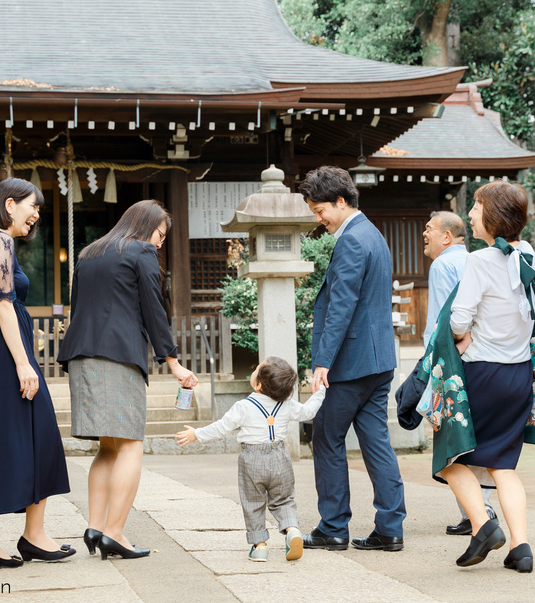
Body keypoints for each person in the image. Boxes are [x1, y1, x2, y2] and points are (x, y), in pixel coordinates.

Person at [57, 200, 198, 561]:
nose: (160, 242)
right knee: (131, 444)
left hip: (81, 356)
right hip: (116, 355)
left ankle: (96, 526)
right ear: (144, 224)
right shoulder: (140, 251)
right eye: (160, 233)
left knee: (108, 447)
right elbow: (154, 306)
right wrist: (173, 362)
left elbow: (79, 306)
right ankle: (115, 533)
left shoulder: (89, 253)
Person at [0, 178, 74, 571]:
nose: (36, 213)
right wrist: (24, 363)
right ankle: (29, 535)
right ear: (9, 204)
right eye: (31, 206)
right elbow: (4, 305)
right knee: (41, 434)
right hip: (1, 352)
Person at [298, 166, 406, 553]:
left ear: (340, 201)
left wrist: (323, 361)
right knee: (377, 443)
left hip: (350, 364)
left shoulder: (350, 241)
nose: (318, 218)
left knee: (326, 438)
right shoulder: (373, 235)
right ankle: (390, 527)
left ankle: (332, 527)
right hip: (378, 361)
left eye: (319, 209)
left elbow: (341, 305)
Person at [443, 181, 535, 573]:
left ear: (492, 215)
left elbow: (458, 319)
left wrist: (461, 335)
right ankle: (521, 548)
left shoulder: (480, 261)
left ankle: (483, 526)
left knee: (448, 456)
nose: (469, 214)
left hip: (482, 373)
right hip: (518, 378)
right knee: (503, 466)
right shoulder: (527, 254)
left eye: (476, 206)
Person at [176, 356, 325, 562]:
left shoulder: (243, 406)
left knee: (253, 502)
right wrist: (320, 393)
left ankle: (260, 546)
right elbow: (308, 411)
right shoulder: (287, 405)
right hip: (280, 457)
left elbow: (222, 427)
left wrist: (197, 434)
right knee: (284, 499)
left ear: (258, 384)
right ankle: (292, 530)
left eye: (257, 370)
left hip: (252, 459)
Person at [421, 212, 498, 536]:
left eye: (429, 229)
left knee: (454, 436)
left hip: (453, 360)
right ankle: (480, 510)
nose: (424, 233)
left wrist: (431, 362)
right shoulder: (475, 261)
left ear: (447, 237)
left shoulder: (442, 265)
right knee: (476, 437)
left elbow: (444, 319)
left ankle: (477, 513)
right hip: (482, 358)